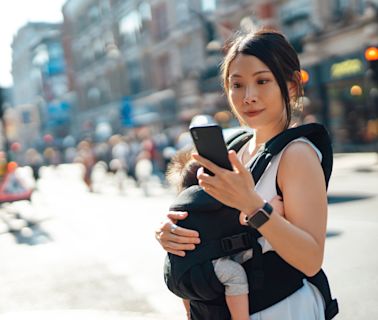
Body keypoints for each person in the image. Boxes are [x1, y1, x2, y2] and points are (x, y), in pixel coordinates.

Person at [156, 29, 330, 320]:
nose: (248, 96)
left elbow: (311, 260)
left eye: (262, 81)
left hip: (281, 308)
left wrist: (252, 205)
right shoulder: (237, 148)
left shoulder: (296, 154)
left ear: (290, 86)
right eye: (237, 85)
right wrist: (172, 233)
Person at [166, 148, 284, 320]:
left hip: (177, 272)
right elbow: (246, 219)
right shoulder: (213, 201)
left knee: (190, 290)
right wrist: (271, 209)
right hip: (204, 268)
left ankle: (189, 314)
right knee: (235, 275)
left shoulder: (182, 204)